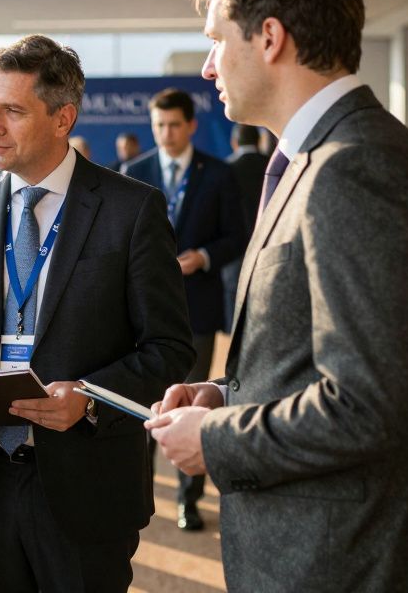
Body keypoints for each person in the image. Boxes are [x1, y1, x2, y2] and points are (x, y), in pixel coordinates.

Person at [148, 0, 408, 591]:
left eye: (217, 40)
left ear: (269, 38)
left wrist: (217, 439)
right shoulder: (323, 156)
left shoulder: (354, 167)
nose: (209, 68)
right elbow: (331, 361)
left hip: (351, 559)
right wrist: (229, 397)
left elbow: (368, 406)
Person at [0, 35, 194, 592]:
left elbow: (169, 348)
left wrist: (89, 398)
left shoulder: (131, 209)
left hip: (86, 487)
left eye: (12, 111)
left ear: (63, 117)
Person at [121, 88, 245, 531]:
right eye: (159, 126)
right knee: (147, 400)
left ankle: (188, 500)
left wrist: (204, 257)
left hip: (198, 307)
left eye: (174, 125)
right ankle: (138, 492)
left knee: (193, 398)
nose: (166, 133)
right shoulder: (135, 172)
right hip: (143, 313)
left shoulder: (217, 174)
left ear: (191, 125)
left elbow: (235, 235)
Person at [222, 123, 267, 333]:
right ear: (258, 141)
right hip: (270, 247)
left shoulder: (224, 170)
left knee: (235, 303)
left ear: (234, 143)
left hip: (235, 250)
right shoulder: (275, 165)